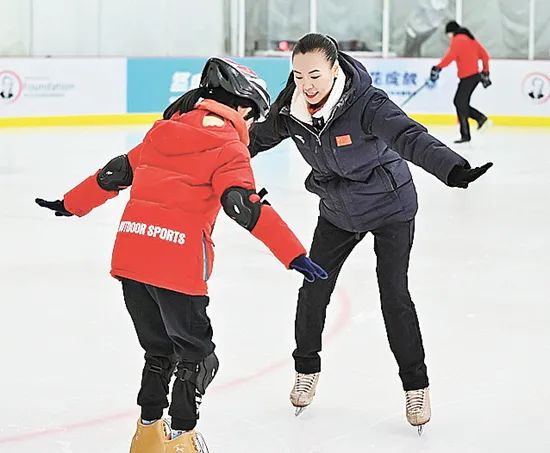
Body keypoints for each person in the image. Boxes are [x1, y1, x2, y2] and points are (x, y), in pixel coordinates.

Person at [35, 57, 327, 453]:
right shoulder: (228, 145)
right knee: (198, 357)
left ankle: (147, 434)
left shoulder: (164, 130)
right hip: (178, 266)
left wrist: (72, 203)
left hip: (132, 259)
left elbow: (116, 173)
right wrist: (293, 254)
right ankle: (182, 439)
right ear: (242, 108)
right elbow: (243, 205)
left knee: (159, 352)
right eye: (253, 115)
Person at [248, 33, 493, 433]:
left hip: (390, 208)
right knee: (313, 288)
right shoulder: (292, 107)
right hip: (338, 211)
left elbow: (409, 136)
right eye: (297, 75)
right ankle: (306, 369)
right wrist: (210, 152)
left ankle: (416, 385)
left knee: (394, 294)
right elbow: (257, 138)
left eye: (314, 74)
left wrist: (452, 169)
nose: (306, 84)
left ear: (334, 68)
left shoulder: (367, 103)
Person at [430, 21, 492, 143]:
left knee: (459, 102)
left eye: (448, 34)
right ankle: (469, 131)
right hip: (474, 77)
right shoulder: (471, 39)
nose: (449, 37)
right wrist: (485, 72)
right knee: (460, 103)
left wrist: (438, 67)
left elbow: (450, 56)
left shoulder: (458, 40)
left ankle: (478, 120)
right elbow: (485, 56)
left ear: (451, 32)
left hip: (468, 77)